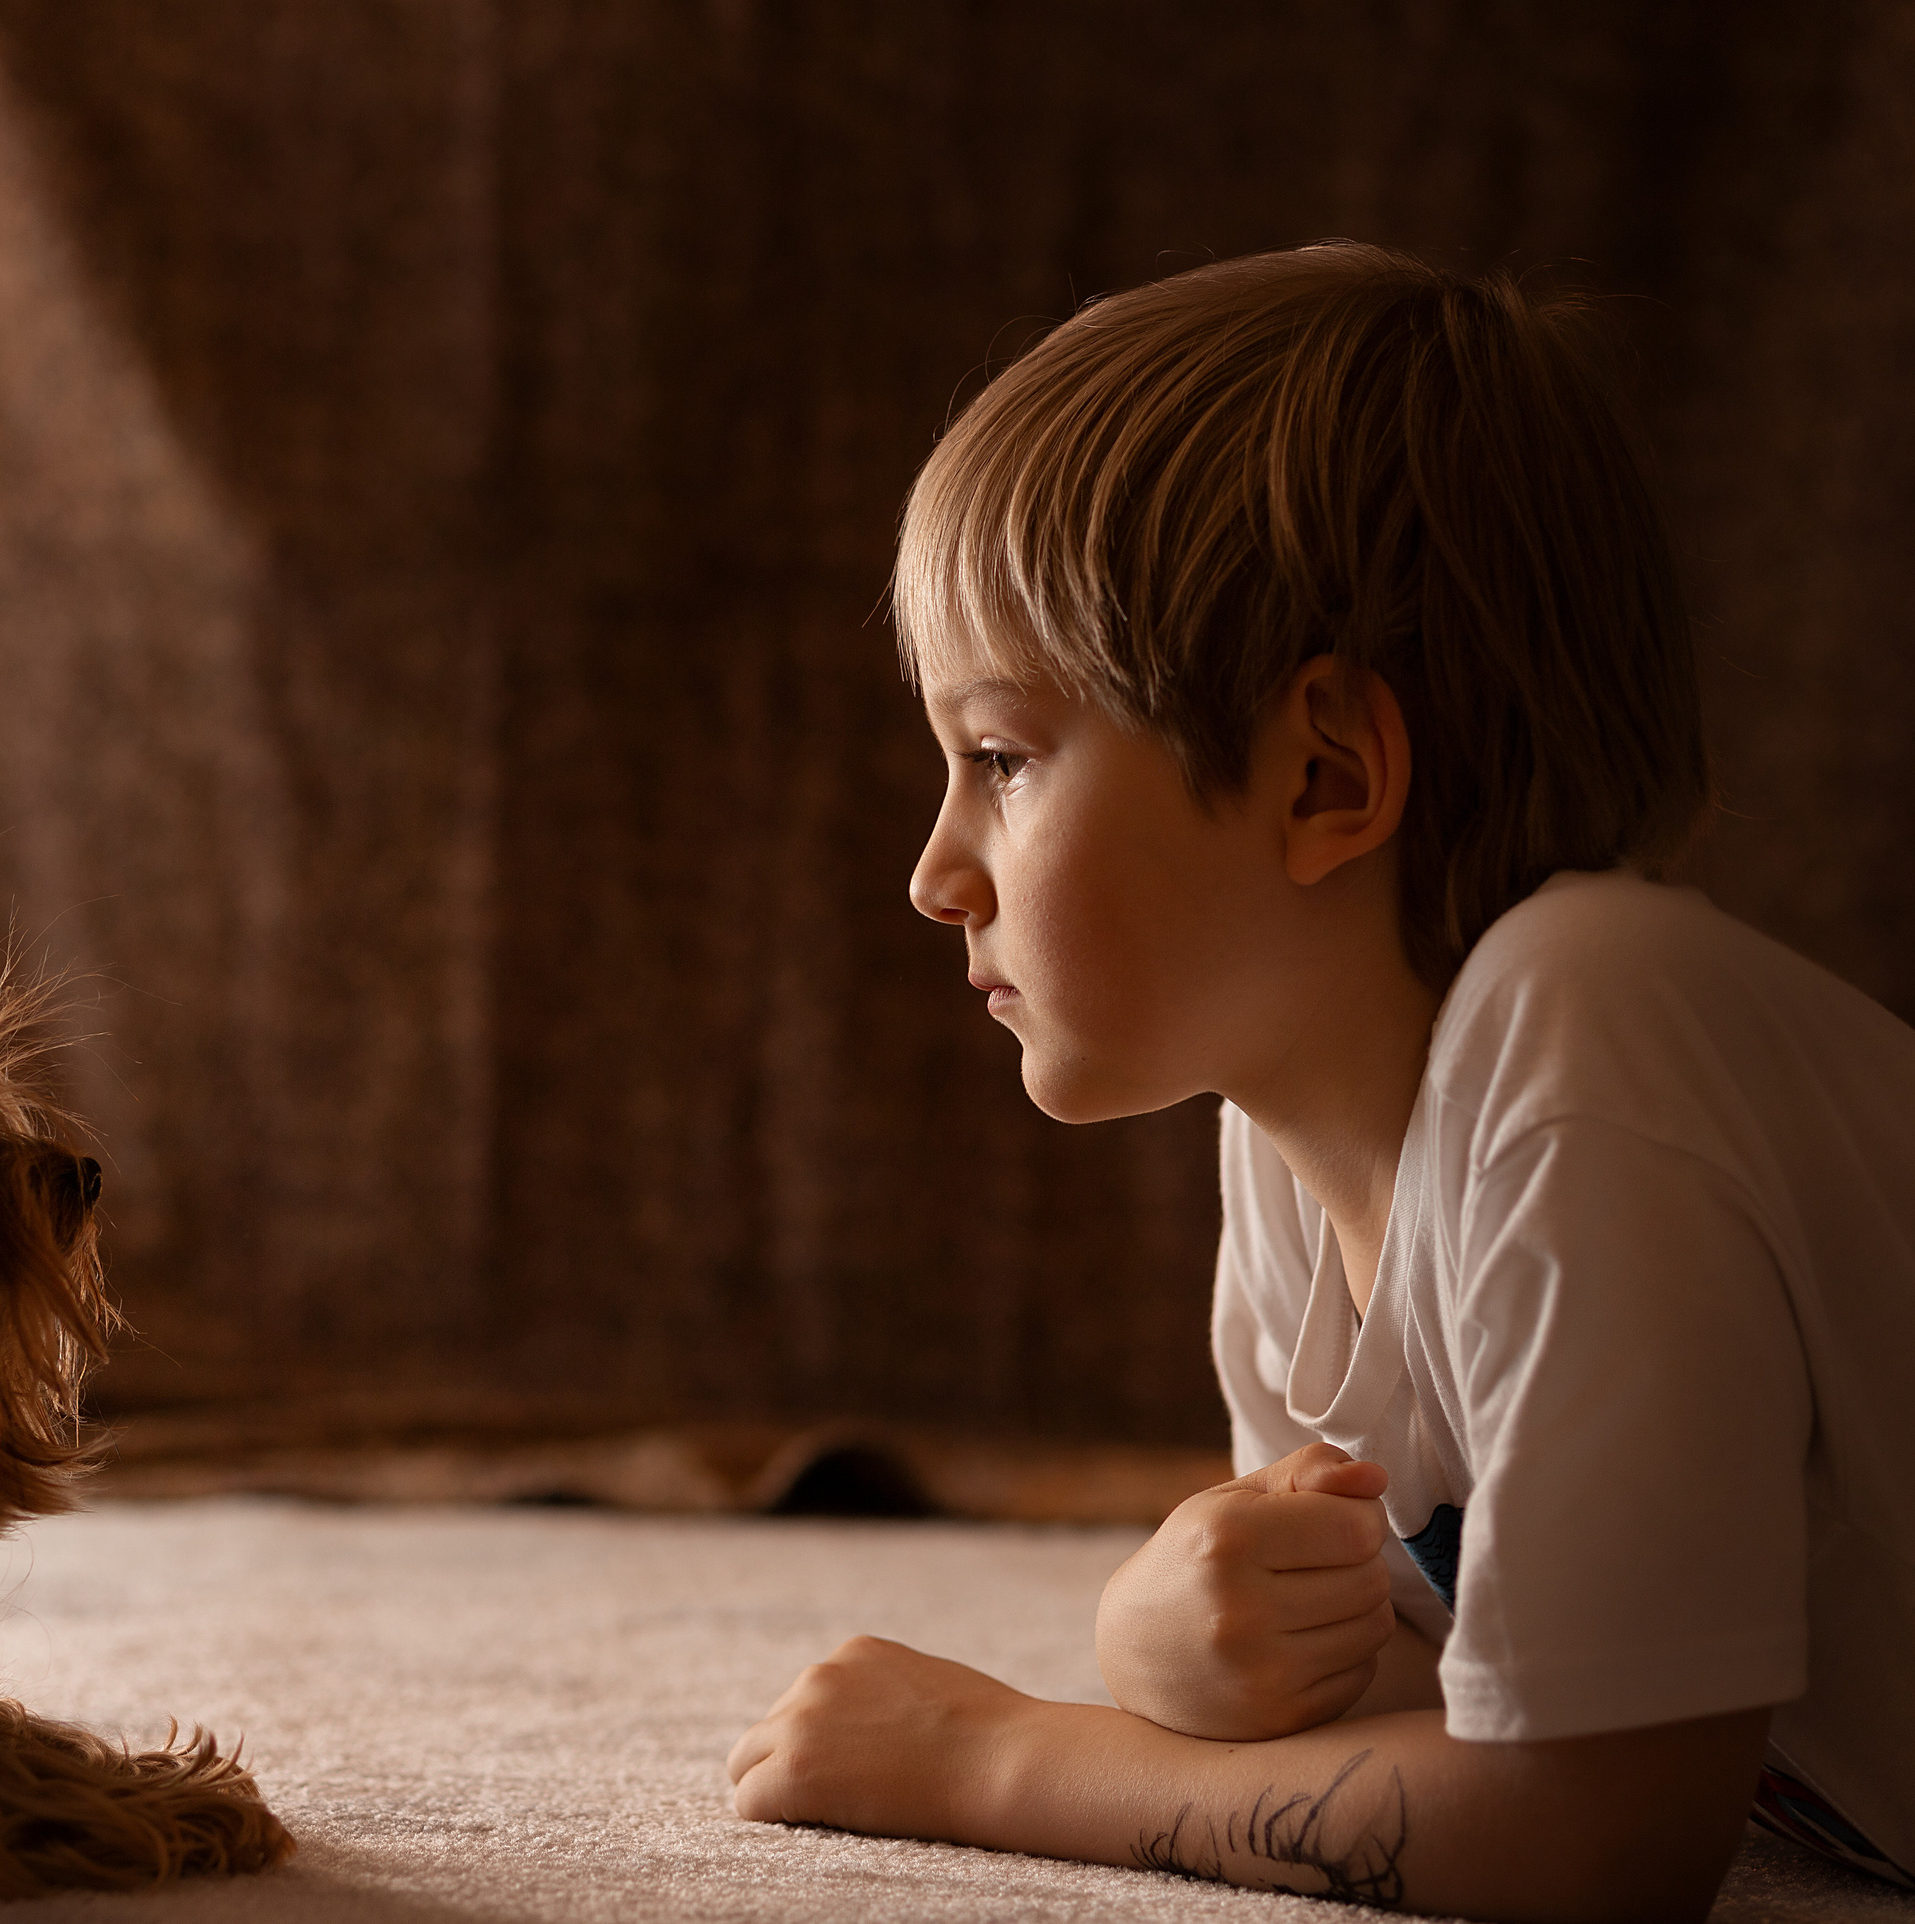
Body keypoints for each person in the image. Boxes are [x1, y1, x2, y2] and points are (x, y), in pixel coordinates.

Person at [725, 242, 1915, 1921]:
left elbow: (1596, 1829)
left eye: (1000, 758)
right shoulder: (1291, 1141)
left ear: (1329, 773)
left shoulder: (1588, 1029)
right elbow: (1435, 1712)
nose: (934, 872)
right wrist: (1178, 1648)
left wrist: (996, 1762)